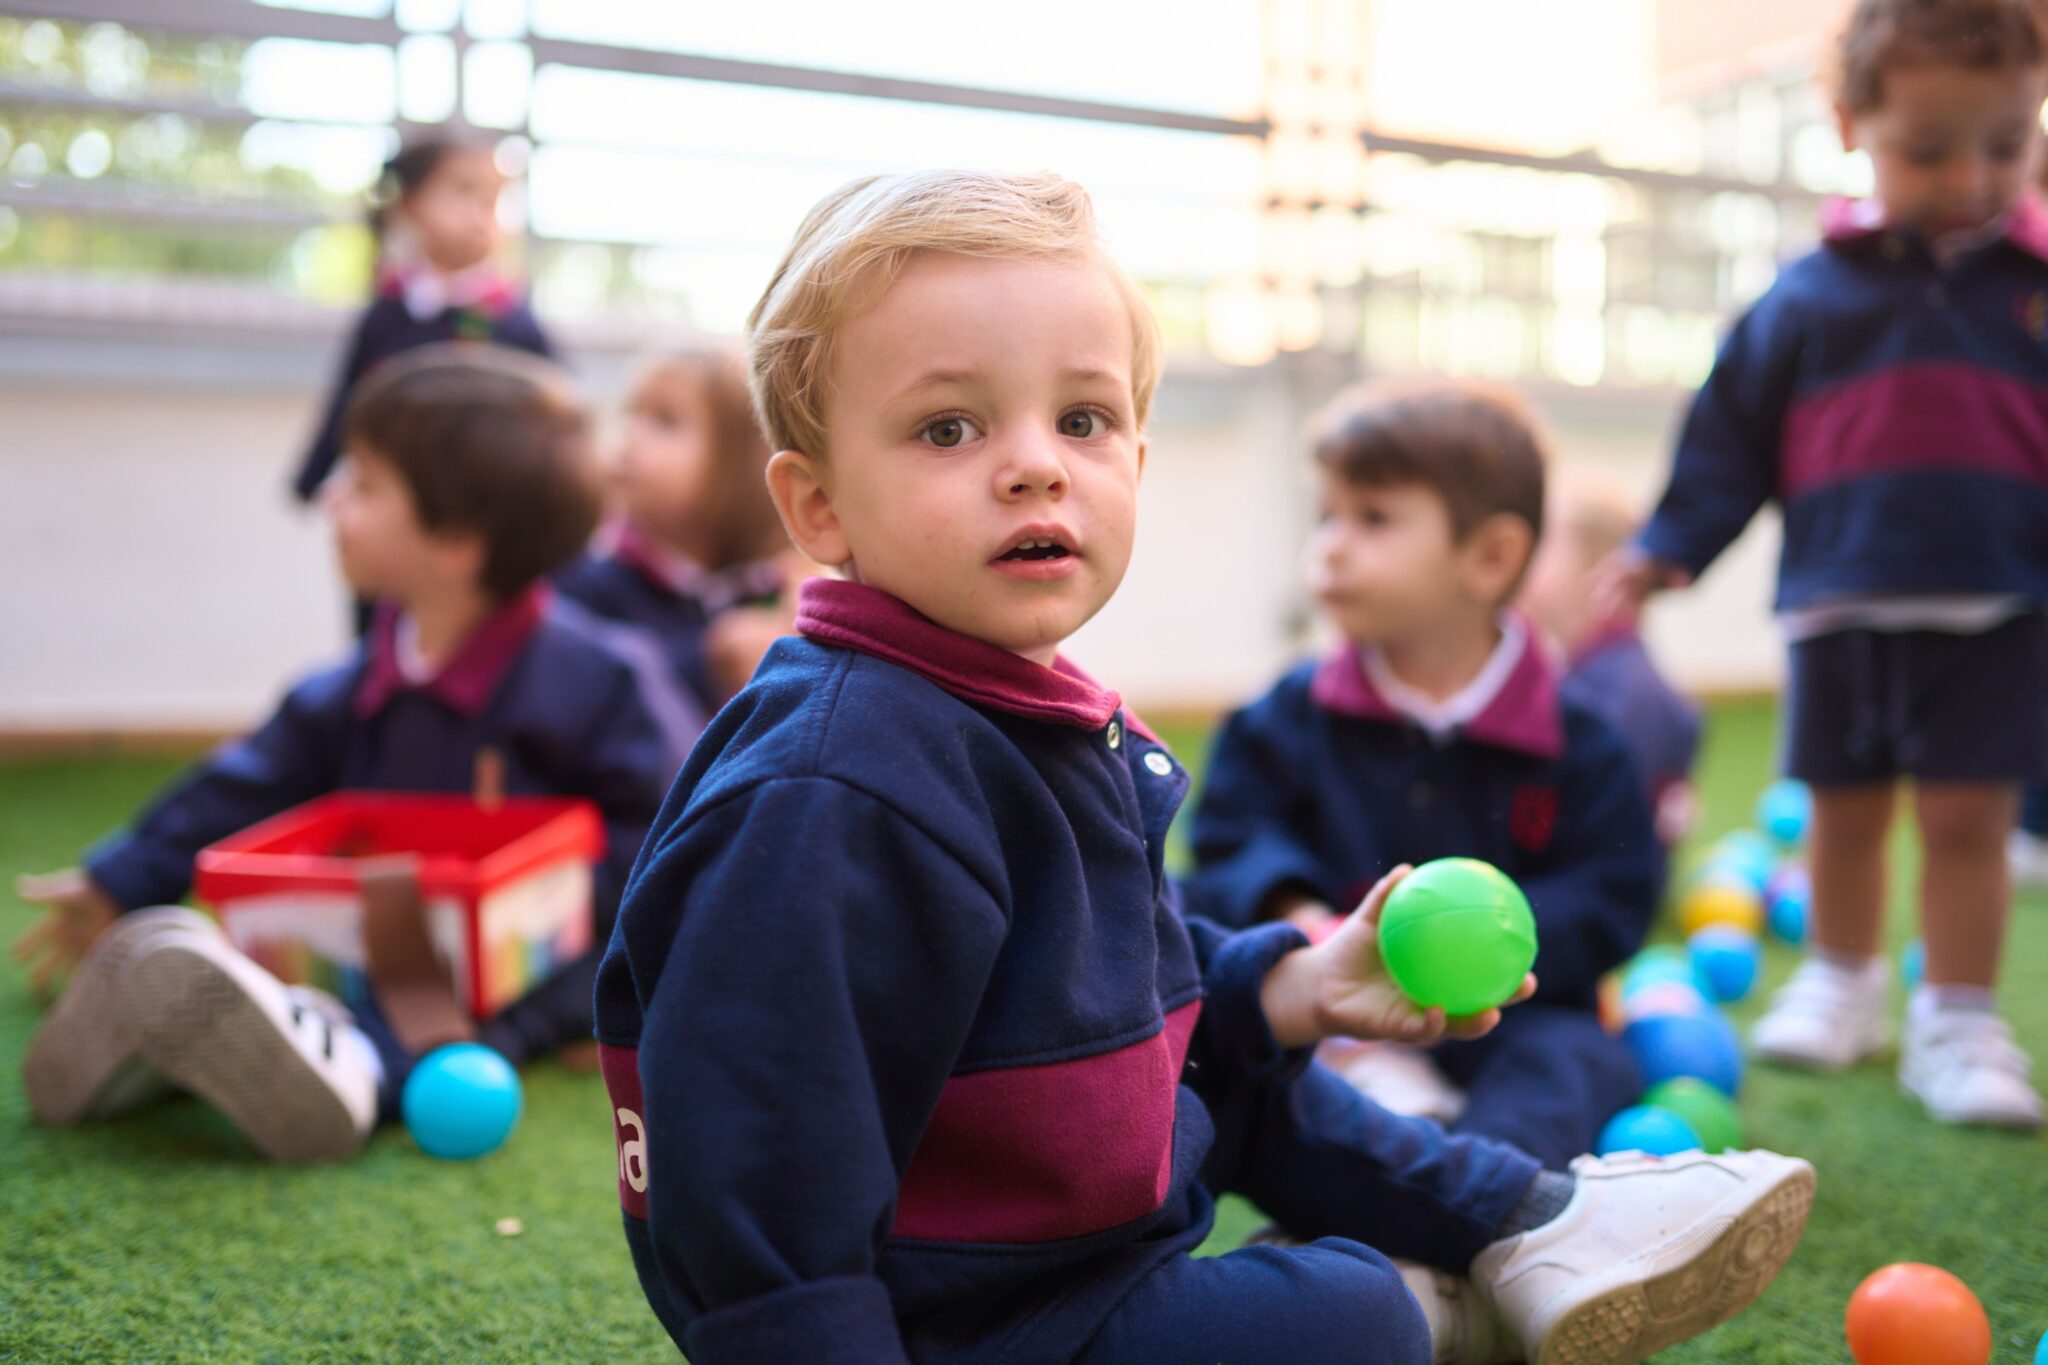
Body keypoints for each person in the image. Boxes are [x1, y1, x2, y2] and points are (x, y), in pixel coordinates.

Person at [593, 168, 1813, 1365]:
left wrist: (1289, 986)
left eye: (1081, 419)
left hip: (1065, 1229)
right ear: (818, 509)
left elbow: (1118, 988)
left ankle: (1525, 1223)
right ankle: (1444, 1291)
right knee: (1350, 1312)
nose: (1035, 465)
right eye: (947, 427)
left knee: (1257, 1087)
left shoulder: (1007, 709)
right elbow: (753, 1170)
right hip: (975, 1321)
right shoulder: (832, 786)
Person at [17, 347, 696, 1161]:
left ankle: (358, 1073)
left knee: (448, 1011)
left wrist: (617, 995)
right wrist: (118, 876)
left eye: (365, 484)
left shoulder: (601, 682)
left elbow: (666, 848)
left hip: (538, 954)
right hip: (377, 934)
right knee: (305, 958)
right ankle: (195, 1036)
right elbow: (248, 780)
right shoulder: (354, 682)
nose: (333, 496)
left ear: (455, 542)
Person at [1602, 0, 2048, 1129]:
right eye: (1927, 148)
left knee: (1967, 824)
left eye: (2005, 143)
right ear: (1851, 123)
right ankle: (1841, 980)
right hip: (1837, 607)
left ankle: (1953, 1017)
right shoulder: (1806, 298)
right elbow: (1727, 438)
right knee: (1841, 814)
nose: (1969, 177)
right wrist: (1666, 546)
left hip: (1996, 606)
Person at [1185, 380, 1663, 1169]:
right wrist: (1299, 914)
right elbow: (1233, 833)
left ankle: (1483, 1191)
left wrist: (1487, 950)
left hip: (1510, 1012)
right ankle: (1373, 1185)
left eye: (1372, 518)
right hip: (1336, 999)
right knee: (1246, 1044)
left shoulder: (1579, 740)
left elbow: (1616, 889)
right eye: (1327, 517)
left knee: (1577, 1060)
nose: (1331, 545)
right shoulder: (1289, 713)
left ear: (1490, 557)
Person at [291, 137, 554, 509]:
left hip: (482, 507)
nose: (479, 214)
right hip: (394, 501)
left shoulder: (511, 320)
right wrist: (311, 480)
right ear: (410, 205)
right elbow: (348, 400)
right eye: (463, 193)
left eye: (490, 201)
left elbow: (558, 414)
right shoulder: (387, 314)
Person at [555, 347, 805, 711]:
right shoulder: (585, 586)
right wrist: (707, 666)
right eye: (630, 413)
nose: (628, 436)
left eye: (664, 421)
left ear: (741, 462)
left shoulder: (777, 591)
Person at [1520, 465, 1702, 851]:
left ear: (1603, 574)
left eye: (1541, 548)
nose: (1520, 562)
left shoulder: (1624, 694)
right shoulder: (1586, 673)